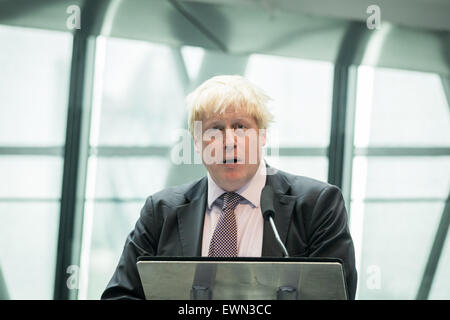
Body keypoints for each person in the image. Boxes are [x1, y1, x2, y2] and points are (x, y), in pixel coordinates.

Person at [101, 75, 357, 300]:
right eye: (215, 129)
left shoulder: (317, 204)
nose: (229, 141)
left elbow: (335, 295)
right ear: (198, 142)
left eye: (241, 126)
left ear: (263, 135)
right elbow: (120, 295)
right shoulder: (161, 211)